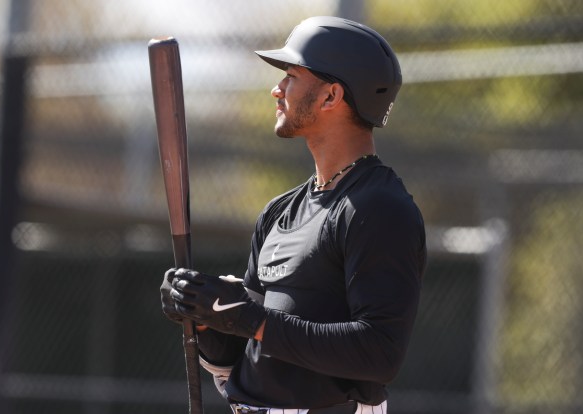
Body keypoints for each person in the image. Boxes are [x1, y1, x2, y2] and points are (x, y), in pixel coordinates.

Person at [161, 16, 427, 414]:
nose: (276, 89)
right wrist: (202, 315)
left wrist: (252, 319)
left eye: (291, 76)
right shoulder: (279, 211)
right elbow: (242, 354)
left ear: (331, 96)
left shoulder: (380, 208)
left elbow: (379, 353)